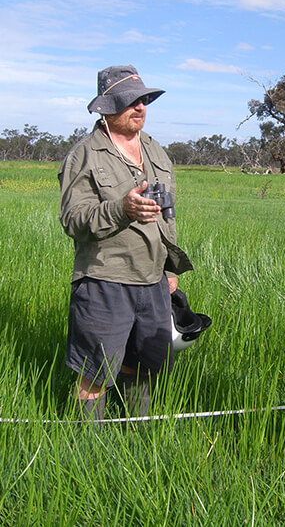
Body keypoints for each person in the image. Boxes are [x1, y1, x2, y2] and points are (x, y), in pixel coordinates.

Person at [58, 65, 192, 420]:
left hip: (152, 280)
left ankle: (137, 436)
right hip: (105, 279)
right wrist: (121, 209)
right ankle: (88, 448)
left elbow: (168, 213)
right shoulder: (85, 154)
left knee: (142, 364)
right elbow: (73, 220)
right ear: (106, 108)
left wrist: (169, 268)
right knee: (95, 372)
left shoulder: (155, 151)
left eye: (144, 100)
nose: (140, 108)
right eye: (130, 101)